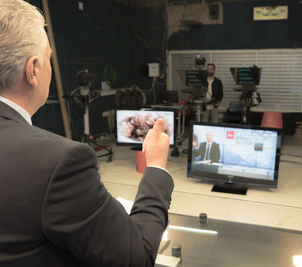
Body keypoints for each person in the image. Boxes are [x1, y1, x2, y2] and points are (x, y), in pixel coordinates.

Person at [0, 1, 173, 266]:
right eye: (49, 58)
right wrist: (157, 167)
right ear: (33, 70)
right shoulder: (59, 162)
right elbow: (136, 258)